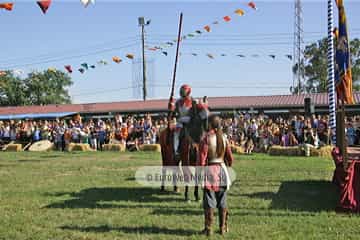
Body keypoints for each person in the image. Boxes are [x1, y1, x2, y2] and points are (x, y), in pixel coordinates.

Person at [198, 115, 234, 236]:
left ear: (209, 125)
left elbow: (201, 160)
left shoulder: (206, 139)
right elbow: (230, 158)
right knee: (222, 200)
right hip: (222, 170)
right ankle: (223, 228)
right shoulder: (224, 138)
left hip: (210, 171)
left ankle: (208, 229)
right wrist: (227, 164)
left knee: (209, 200)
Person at [168, 84, 197, 157]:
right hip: (180, 121)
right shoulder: (178, 102)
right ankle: (176, 150)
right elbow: (174, 112)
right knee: (176, 134)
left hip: (191, 121)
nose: (182, 92)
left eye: (184, 91)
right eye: (182, 91)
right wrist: (171, 107)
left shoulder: (193, 101)